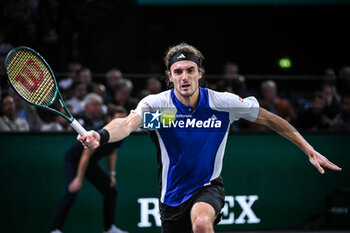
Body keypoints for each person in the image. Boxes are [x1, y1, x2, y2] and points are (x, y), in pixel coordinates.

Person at [78, 43, 342, 233]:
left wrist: (308, 149)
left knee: (202, 224)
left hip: (208, 186)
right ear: (169, 77)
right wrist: (100, 135)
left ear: (200, 73)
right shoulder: (160, 109)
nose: (184, 76)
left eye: (190, 70)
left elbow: (271, 119)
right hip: (171, 198)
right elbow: (126, 124)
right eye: (178, 71)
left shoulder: (222, 104)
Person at [51, 105, 128, 233]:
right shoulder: (99, 132)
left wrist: (112, 174)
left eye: (123, 120)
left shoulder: (121, 133)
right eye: (117, 119)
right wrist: (78, 179)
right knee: (72, 191)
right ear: (109, 119)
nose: (120, 123)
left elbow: (113, 152)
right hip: (75, 160)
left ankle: (109, 229)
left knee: (110, 190)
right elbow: (85, 155)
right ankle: (55, 230)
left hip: (90, 163)